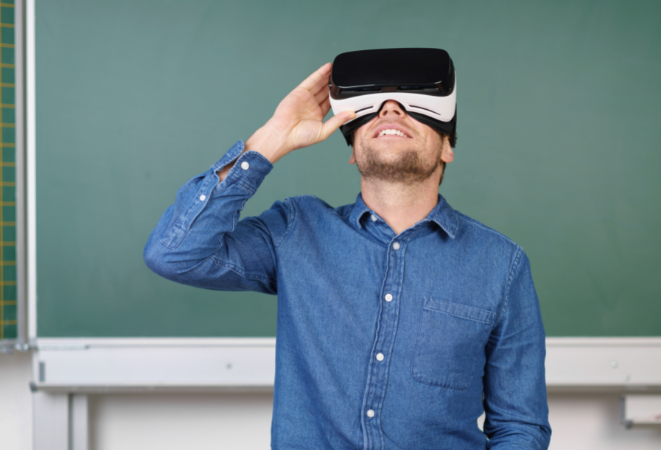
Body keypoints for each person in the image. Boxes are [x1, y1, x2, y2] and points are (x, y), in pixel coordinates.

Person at [144, 60, 551, 449]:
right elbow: (174, 253)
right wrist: (271, 138)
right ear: (354, 151)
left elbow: (520, 425)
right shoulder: (295, 230)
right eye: (375, 109)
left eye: (412, 106)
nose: (391, 108)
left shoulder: (501, 264)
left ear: (447, 147)